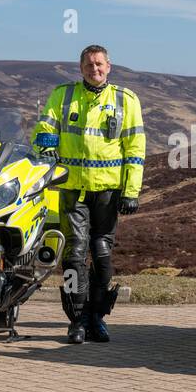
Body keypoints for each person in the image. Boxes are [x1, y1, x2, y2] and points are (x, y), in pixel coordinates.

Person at [33, 45, 145, 344]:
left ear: (109, 66)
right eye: (88, 65)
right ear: (80, 68)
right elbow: (45, 129)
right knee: (74, 255)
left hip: (108, 192)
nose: (94, 69)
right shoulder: (63, 95)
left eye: (99, 64)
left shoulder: (126, 100)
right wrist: (45, 150)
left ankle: (97, 316)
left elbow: (135, 148)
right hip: (72, 189)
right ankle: (77, 319)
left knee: (103, 255)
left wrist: (131, 190)